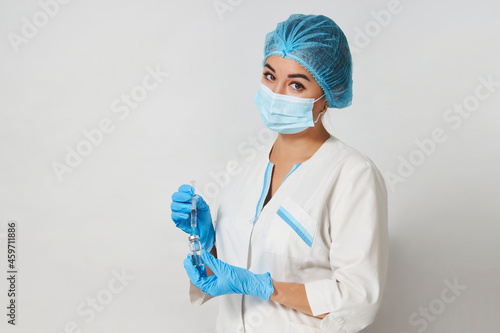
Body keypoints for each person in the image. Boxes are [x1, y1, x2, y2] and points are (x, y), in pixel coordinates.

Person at [171, 14, 389, 333]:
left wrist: (265, 287)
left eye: (297, 84)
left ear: (327, 94)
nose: (277, 93)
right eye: (270, 76)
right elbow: (229, 274)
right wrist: (206, 244)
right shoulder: (245, 169)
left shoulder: (352, 175)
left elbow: (359, 299)